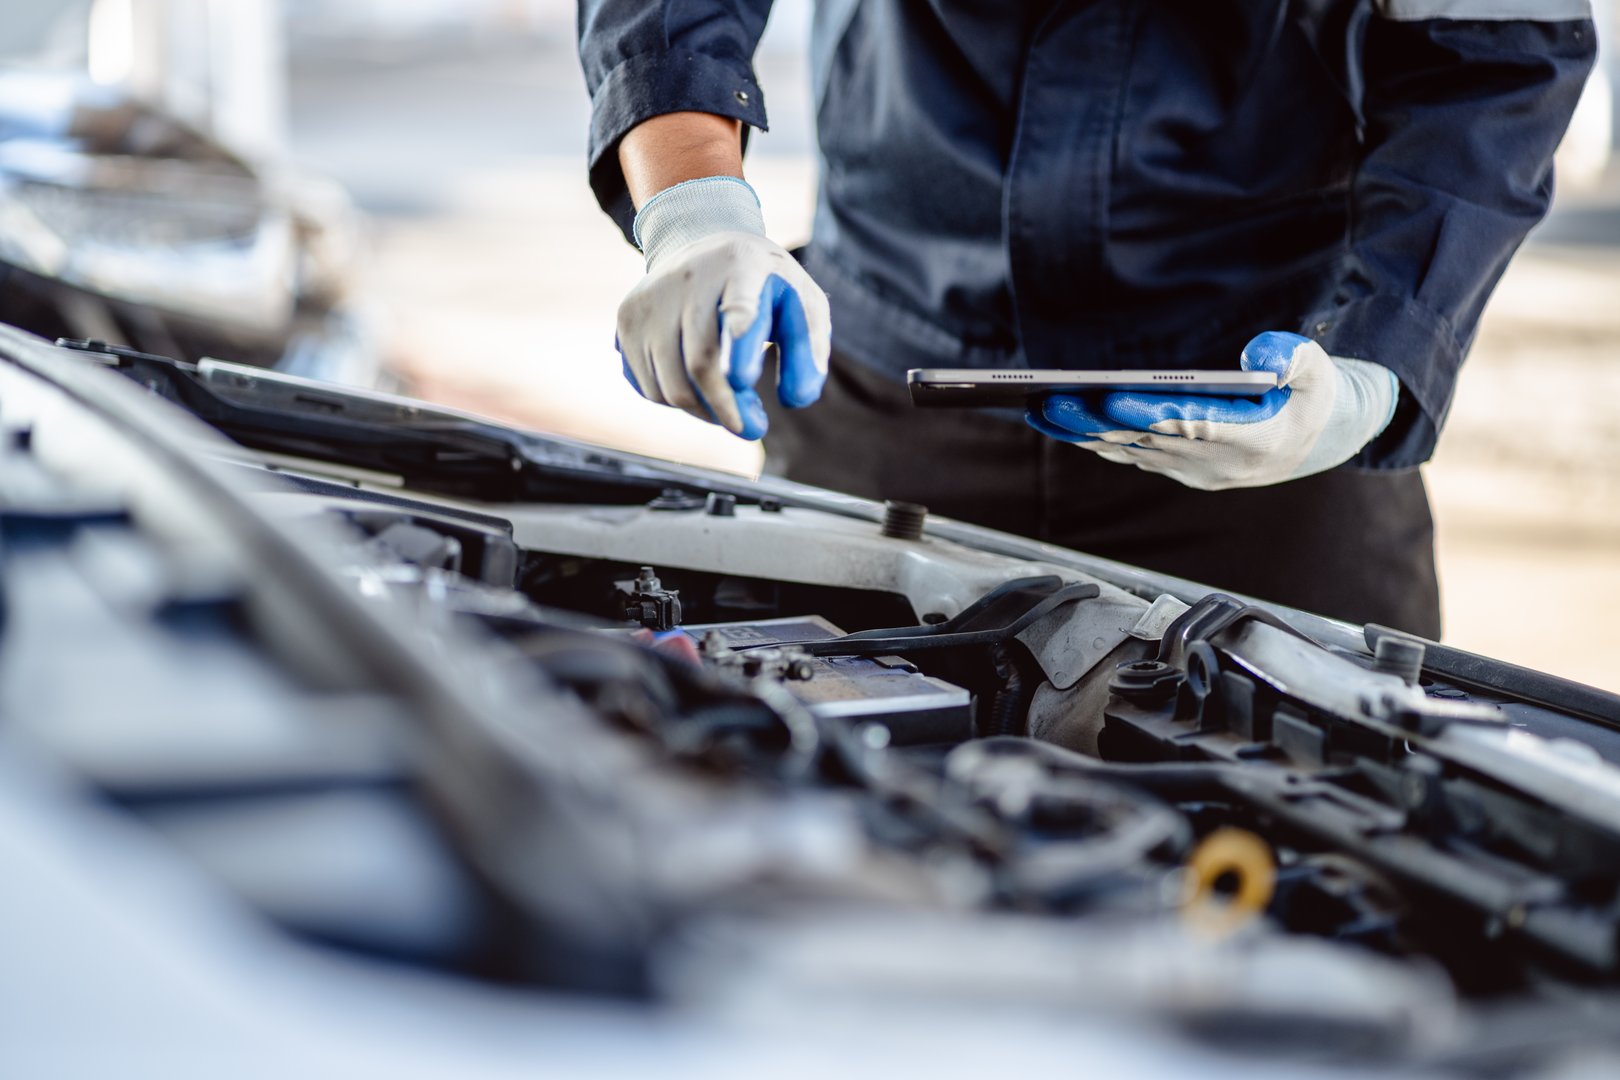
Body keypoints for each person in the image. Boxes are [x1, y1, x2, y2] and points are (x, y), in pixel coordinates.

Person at [576, 1, 1597, 638]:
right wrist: (693, 204)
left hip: (1268, 429)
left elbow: (1494, 56)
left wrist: (1378, 371)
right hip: (882, 390)